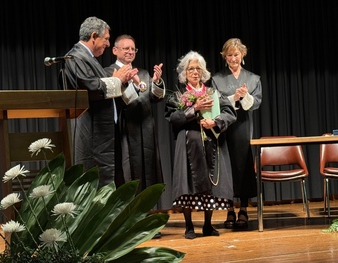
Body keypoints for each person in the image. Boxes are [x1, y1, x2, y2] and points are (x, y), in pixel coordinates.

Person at [165, 51, 236, 239]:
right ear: (184, 73)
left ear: (203, 72)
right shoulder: (178, 95)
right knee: (187, 183)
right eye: (191, 69)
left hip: (211, 142)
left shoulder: (213, 93)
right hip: (188, 143)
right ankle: (189, 226)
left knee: (211, 184)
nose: (195, 72)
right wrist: (194, 110)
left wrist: (216, 122)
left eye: (198, 68)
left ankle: (207, 225)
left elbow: (230, 112)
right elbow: (173, 118)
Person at [63, 16, 139, 188]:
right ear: (94, 36)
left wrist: (121, 81)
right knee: (94, 179)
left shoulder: (89, 58)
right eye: (106, 39)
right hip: (91, 128)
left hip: (102, 129)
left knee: (107, 179)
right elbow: (91, 87)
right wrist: (117, 79)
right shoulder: (75, 57)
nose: (107, 43)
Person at [212, 38, 262, 229]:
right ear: (224, 57)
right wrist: (234, 97)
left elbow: (256, 103)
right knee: (227, 168)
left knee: (243, 166)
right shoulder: (217, 79)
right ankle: (229, 210)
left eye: (236, 54)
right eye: (229, 55)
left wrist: (246, 96)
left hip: (242, 127)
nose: (233, 58)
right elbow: (217, 102)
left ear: (242, 55)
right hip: (225, 127)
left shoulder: (253, 78)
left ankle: (244, 209)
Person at [104, 34, 165, 192]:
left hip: (145, 127)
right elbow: (118, 100)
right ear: (115, 50)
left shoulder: (143, 73)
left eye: (133, 49)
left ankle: (145, 211)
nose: (130, 52)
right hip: (124, 129)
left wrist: (157, 82)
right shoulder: (108, 72)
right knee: (127, 172)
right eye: (126, 48)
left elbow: (154, 98)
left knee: (147, 173)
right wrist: (129, 83)